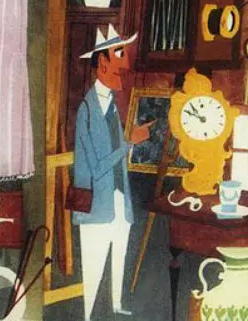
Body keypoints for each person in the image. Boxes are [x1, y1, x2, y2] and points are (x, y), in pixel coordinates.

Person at [73, 24, 153, 321]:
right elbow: (97, 166)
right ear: (102, 63)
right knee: (93, 262)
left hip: (119, 199)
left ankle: (116, 305)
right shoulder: (87, 108)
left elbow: (117, 157)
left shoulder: (113, 107)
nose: (125, 65)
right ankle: (86, 314)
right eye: (119, 55)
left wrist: (133, 143)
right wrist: (130, 142)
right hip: (96, 202)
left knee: (119, 251)